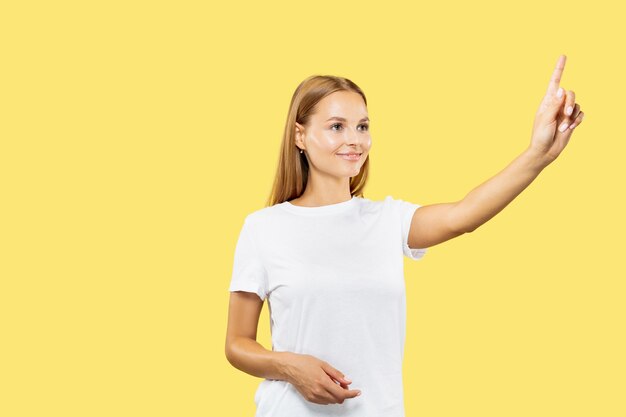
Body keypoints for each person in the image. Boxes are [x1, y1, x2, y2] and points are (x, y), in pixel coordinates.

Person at [224, 54, 584, 416]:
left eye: (362, 127)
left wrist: (537, 154)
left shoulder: (387, 220)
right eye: (337, 126)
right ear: (300, 135)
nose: (355, 140)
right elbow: (237, 343)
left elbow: (464, 215)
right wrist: (290, 366)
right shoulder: (264, 228)